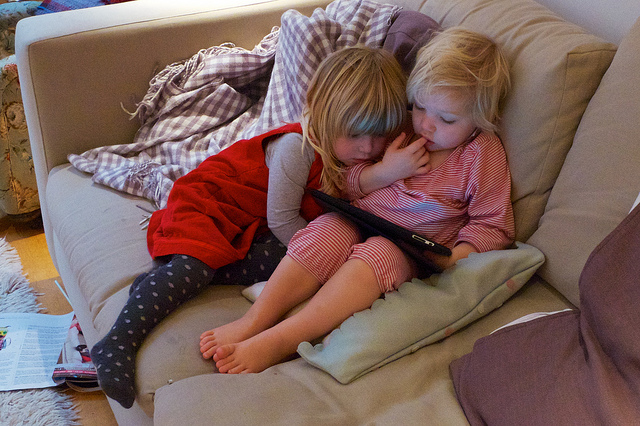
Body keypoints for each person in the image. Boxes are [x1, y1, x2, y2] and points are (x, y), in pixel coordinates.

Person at [90, 46, 411, 408]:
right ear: (321, 113)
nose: (368, 147)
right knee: (196, 268)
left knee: (276, 261)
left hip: (250, 224)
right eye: (355, 134)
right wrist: (324, 262)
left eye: (379, 135)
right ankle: (117, 341)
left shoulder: (354, 154)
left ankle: (159, 281)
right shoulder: (297, 148)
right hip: (211, 204)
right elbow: (284, 220)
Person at [199, 27, 516, 374]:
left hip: (406, 250)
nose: (426, 125)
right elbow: (348, 181)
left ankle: (282, 340)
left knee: (378, 254)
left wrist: (455, 257)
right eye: (420, 106)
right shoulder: (403, 131)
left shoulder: (481, 155)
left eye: (447, 119)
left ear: (483, 118)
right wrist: (385, 172)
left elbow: (492, 225)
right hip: (359, 219)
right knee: (327, 227)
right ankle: (254, 320)